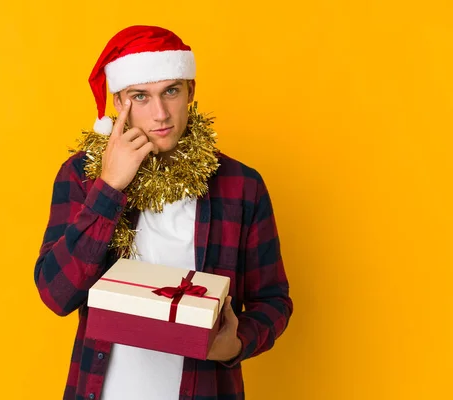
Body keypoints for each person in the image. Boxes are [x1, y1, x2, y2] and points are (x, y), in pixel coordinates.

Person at [34, 25, 293, 400]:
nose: (160, 113)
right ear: (119, 102)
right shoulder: (83, 175)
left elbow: (274, 300)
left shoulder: (241, 185)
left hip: (203, 389)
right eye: (141, 96)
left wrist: (235, 344)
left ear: (191, 91)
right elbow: (56, 294)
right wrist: (109, 188)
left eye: (171, 91)